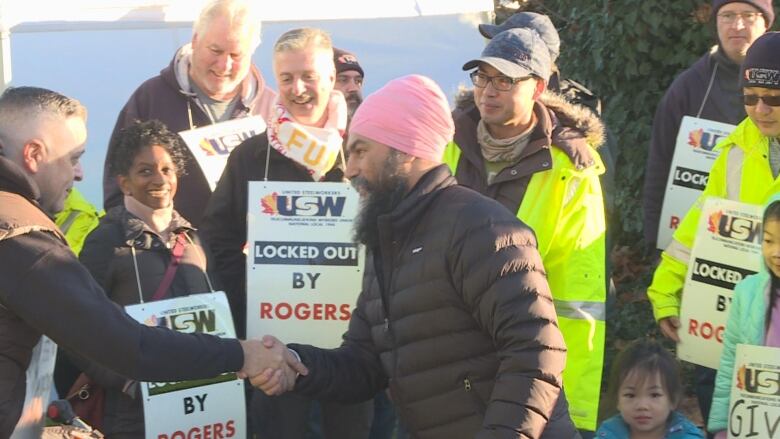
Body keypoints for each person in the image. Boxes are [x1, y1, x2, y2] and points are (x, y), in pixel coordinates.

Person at [253, 74, 579, 438]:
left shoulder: (481, 228)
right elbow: (364, 365)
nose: (350, 170)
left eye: (361, 151)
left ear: (405, 150)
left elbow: (536, 353)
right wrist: (294, 363)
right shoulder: (389, 242)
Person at [0, 86, 302, 438]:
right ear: (34, 154)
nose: (79, 173)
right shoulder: (23, 237)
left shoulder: (193, 238)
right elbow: (127, 344)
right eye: (73, 158)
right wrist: (242, 356)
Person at [201, 27, 372, 439]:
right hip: (275, 346)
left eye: (309, 76)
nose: (298, 89)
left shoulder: (363, 150)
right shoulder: (252, 154)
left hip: (351, 347)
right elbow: (217, 235)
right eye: (286, 78)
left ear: (331, 77)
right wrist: (250, 305)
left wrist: (374, 309)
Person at [442, 27, 607, 434]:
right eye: (482, 77)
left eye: (504, 80)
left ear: (538, 88)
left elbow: (578, 296)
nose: (488, 91)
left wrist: (576, 403)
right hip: (447, 359)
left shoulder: (572, 172)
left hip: (527, 361)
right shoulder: (444, 144)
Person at [648, 30, 780, 426]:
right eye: (749, 97)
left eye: (773, 98)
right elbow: (701, 226)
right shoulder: (735, 150)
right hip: (734, 322)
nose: (760, 109)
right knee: (722, 415)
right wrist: (664, 290)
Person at [57, 120, 221, 437]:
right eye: (145, 171)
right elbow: (74, 331)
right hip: (131, 415)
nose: (159, 179)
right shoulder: (106, 240)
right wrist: (127, 382)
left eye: (167, 169)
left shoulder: (195, 242)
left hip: (199, 410)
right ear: (124, 182)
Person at [102, 0, 277, 226]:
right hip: (168, 254)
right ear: (195, 40)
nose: (224, 65)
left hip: (244, 256)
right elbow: (117, 184)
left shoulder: (272, 109)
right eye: (215, 50)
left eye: (236, 55)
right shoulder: (151, 98)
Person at [643, 0, 773, 250]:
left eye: (748, 15)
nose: (738, 25)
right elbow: (660, 165)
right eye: (727, 16)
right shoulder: (687, 88)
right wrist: (655, 242)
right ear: (715, 22)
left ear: (766, 23)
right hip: (704, 245)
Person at [708, 196, 780, 438]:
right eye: (769, 241)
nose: (776, 252)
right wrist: (721, 426)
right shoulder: (747, 292)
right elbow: (730, 363)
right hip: (753, 427)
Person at [596, 339, 703, 438]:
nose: (642, 406)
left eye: (654, 395)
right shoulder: (608, 435)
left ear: (673, 399)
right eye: (630, 395)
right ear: (617, 400)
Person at [334, 47, 364, 119]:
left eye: (358, 81)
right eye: (343, 80)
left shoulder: (370, 128)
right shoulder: (304, 129)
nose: (354, 88)